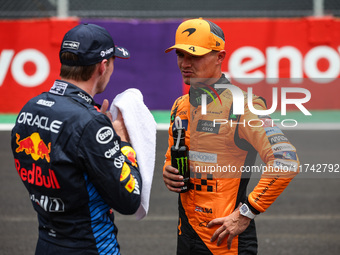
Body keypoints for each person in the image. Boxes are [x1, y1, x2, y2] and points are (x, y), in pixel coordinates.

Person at [163, 18, 299, 254]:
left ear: (220, 57)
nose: (185, 63)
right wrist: (168, 170)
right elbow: (171, 155)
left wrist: (247, 211)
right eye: (180, 55)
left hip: (227, 241)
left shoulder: (244, 106)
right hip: (186, 234)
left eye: (194, 56)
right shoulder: (180, 106)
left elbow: (286, 161)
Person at [11, 23, 142, 255]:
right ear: (103, 66)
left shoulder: (29, 108)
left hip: (46, 244)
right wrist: (121, 141)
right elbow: (129, 199)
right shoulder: (90, 123)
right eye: (112, 63)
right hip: (90, 246)